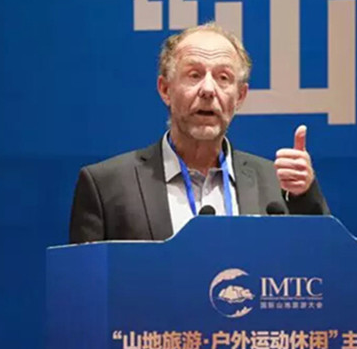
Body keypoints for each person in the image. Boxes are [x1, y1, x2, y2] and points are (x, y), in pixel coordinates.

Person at [69, 23, 329, 243]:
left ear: (240, 96)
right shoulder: (107, 186)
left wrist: (304, 196)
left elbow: (321, 261)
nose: (208, 90)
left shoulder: (276, 184)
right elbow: (86, 282)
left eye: (223, 78)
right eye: (194, 75)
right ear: (165, 89)